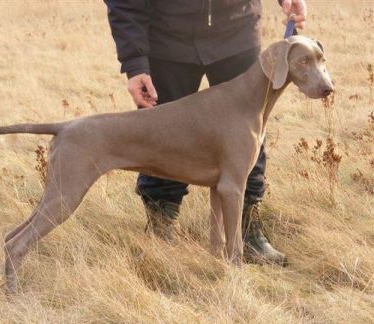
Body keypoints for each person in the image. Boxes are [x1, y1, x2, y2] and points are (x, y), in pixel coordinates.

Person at [105, 0, 306, 265]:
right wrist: (135, 63)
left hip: (237, 32)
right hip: (167, 38)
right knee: (161, 137)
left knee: (247, 134)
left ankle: (248, 232)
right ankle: (161, 224)